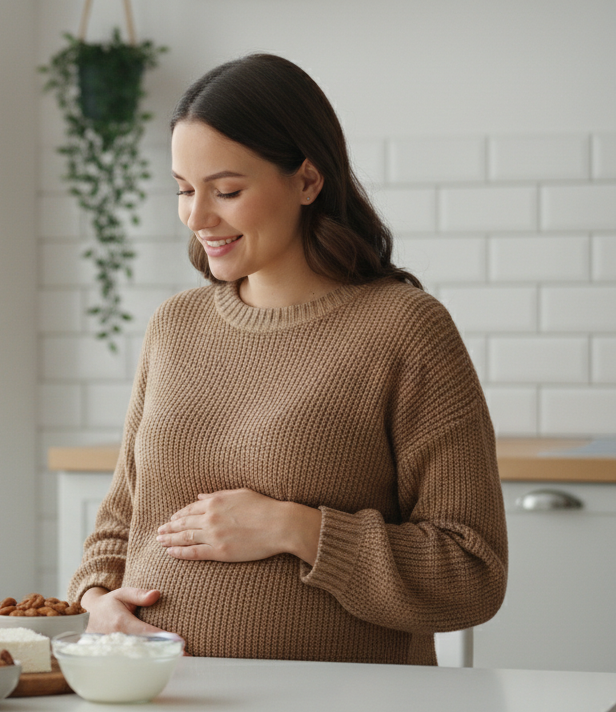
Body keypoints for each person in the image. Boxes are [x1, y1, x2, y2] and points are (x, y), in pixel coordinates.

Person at [66, 54, 508, 664]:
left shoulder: (404, 330)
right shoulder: (175, 328)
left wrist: (295, 529)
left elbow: (471, 570)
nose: (197, 217)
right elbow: (120, 523)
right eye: (183, 190)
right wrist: (96, 601)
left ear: (306, 180)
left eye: (226, 190)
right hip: (164, 705)